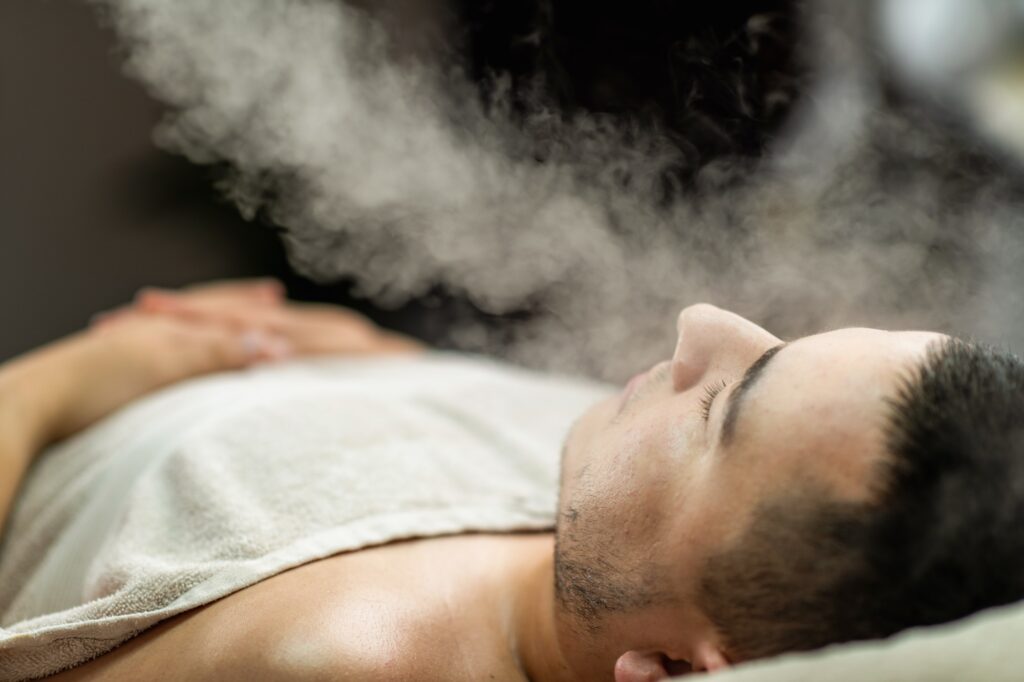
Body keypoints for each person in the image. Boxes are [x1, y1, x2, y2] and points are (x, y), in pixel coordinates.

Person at [0, 279, 1022, 681]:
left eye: (722, 409)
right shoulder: (605, 510)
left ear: (680, 669)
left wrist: (63, 381)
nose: (701, 325)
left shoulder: (342, 666)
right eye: (777, 345)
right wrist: (371, 363)